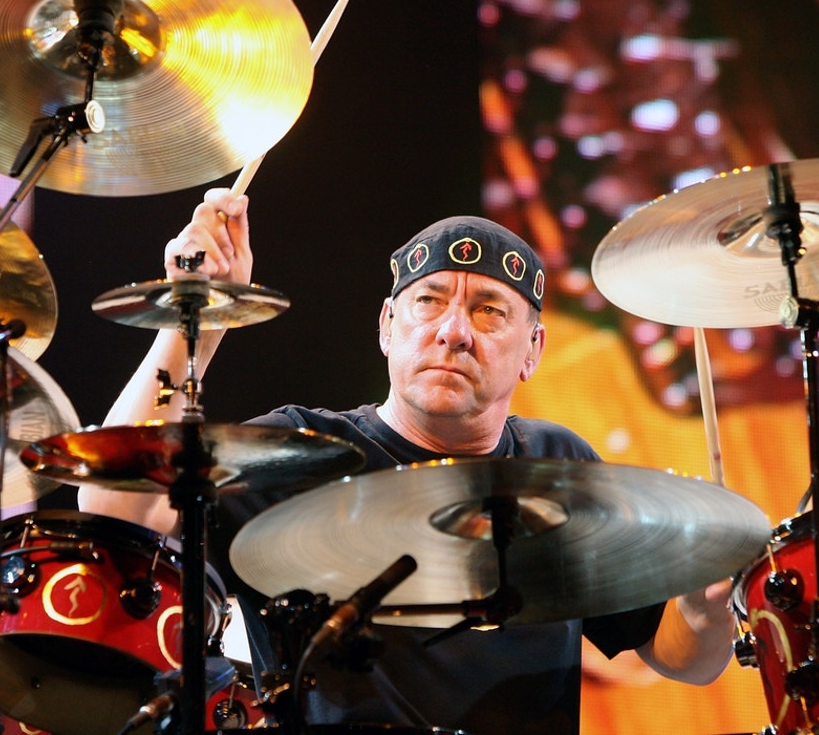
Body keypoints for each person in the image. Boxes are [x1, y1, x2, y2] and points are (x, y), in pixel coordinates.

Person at [80, 187, 735, 734]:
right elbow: (113, 501)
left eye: (488, 310)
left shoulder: (561, 464)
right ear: (388, 325)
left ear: (532, 349)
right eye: (429, 301)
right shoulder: (300, 449)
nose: (453, 330)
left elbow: (687, 658)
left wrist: (705, 613)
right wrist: (198, 312)